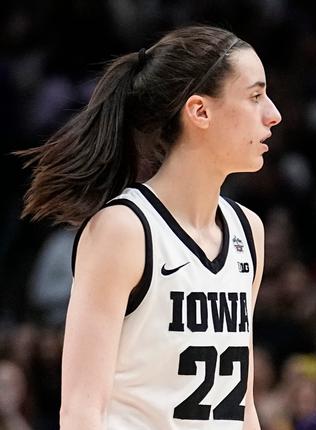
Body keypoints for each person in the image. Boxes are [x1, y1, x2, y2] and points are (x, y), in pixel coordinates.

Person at [18, 25, 281, 429]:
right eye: (255, 96)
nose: (273, 114)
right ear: (200, 111)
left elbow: (241, 403)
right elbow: (81, 410)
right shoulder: (124, 230)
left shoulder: (249, 231)